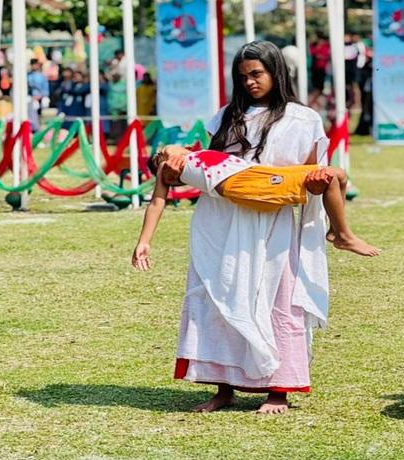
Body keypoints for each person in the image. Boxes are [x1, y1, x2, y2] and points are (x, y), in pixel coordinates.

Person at [140, 40, 340, 415]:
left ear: (275, 72)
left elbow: (312, 173)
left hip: (271, 221)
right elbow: (206, 166)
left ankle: (278, 389)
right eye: (243, 76)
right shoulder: (224, 117)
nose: (249, 82)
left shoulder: (302, 118)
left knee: (276, 300)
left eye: (257, 74)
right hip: (222, 221)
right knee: (221, 296)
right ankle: (224, 386)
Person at [138, 147, 379, 257]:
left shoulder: (192, 156)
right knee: (328, 180)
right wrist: (144, 242)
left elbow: (179, 149)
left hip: (257, 172)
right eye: (159, 157)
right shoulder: (167, 167)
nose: (166, 153)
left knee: (338, 174)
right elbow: (157, 203)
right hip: (243, 185)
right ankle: (344, 237)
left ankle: (334, 231)